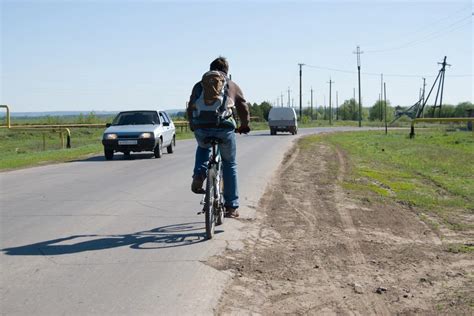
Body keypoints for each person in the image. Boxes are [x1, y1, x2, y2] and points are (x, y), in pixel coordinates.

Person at [187, 57, 250, 218]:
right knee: (229, 164)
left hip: (202, 127)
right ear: (227, 71)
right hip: (224, 128)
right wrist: (244, 125)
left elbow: (191, 105)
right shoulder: (230, 85)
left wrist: (193, 124)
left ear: (210, 68)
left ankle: (199, 174)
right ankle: (231, 207)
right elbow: (242, 106)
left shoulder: (199, 85)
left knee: (203, 147)